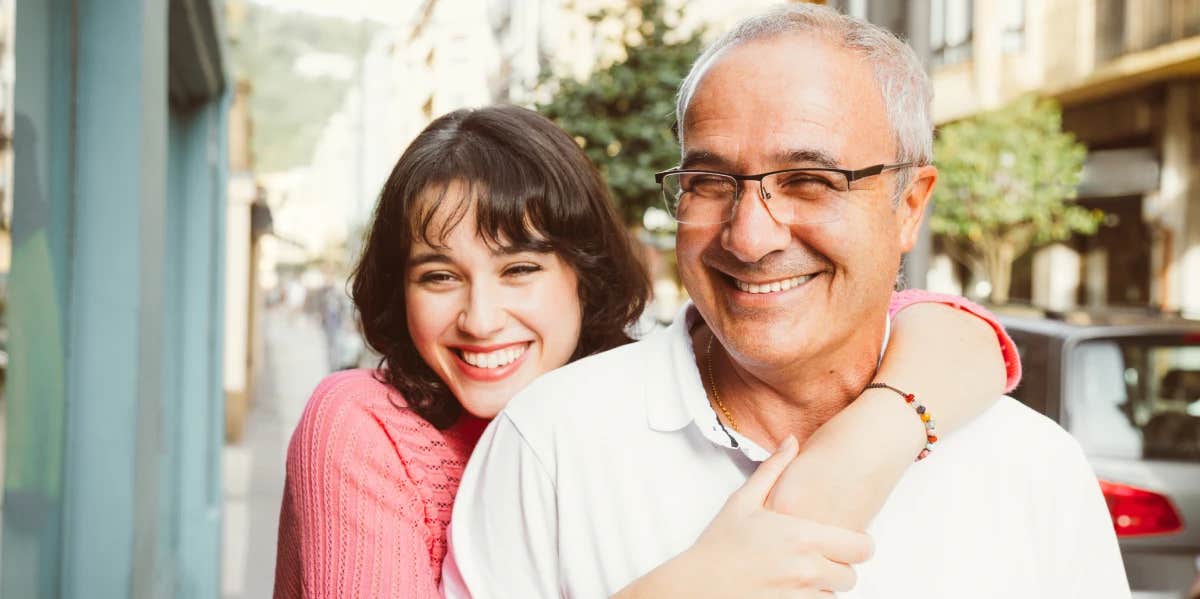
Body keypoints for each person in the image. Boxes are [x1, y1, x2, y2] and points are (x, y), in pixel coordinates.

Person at [442, 6, 1129, 598]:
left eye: (809, 180)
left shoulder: (1033, 469)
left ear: (910, 205)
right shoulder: (553, 444)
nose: (749, 235)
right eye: (709, 180)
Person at [273, 105, 1018, 598]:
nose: (480, 316)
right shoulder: (361, 423)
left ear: (582, 273)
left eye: (520, 268)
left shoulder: (615, 400)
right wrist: (702, 580)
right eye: (438, 276)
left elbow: (945, 325)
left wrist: (871, 437)